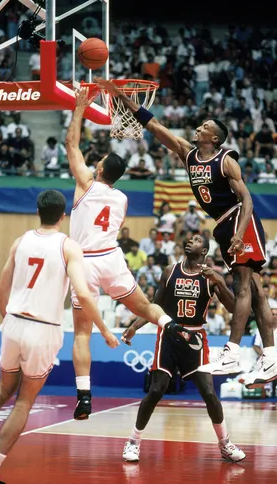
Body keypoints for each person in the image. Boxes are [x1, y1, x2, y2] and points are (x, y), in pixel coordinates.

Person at [95, 77, 277, 388]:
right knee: (256, 292)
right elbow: (154, 126)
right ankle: (271, 356)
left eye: (205, 127)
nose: (198, 128)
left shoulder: (226, 160)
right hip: (223, 225)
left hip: (238, 220)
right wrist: (120, 97)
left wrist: (239, 232)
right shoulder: (188, 154)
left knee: (244, 285)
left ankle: (232, 351)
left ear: (215, 137)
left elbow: (247, 198)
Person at [0, 190, 118, 484]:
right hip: (43, 328)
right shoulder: (69, 247)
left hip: (14, 322)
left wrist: (11, 320)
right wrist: (105, 330)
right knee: (23, 402)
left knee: (2, 390)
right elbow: (82, 293)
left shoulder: (20, 242)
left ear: (37, 211)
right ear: (63, 215)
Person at [65, 87, 173, 420]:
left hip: (84, 262)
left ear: (98, 171)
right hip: (112, 258)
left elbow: (71, 145)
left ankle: (84, 396)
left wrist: (80, 109)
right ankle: (172, 325)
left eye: (96, 163)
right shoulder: (122, 199)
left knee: (82, 332)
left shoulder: (85, 182)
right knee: (144, 307)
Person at [120, 234, 245, 463]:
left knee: (209, 393)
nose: (190, 240)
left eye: (197, 239)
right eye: (190, 238)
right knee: (157, 390)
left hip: (195, 339)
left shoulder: (210, 277)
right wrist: (134, 327)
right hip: (169, 335)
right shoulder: (170, 271)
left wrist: (218, 280)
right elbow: (154, 306)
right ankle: (133, 441)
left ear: (205, 251)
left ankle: (225, 444)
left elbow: (233, 308)